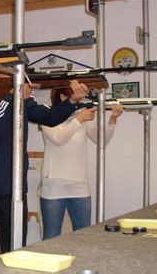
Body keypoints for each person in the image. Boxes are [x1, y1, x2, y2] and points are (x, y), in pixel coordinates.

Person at [0, 69, 89, 264]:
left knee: (14, 253)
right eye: (7, 71)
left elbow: (50, 117)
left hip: (14, 189)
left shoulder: (20, 97)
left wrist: (72, 102)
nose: (12, 76)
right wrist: (12, 98)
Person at [39, 87, 123, 240]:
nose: (78, 99)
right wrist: (79, 119)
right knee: (51, 237)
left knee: (84, 236)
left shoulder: (81, 118)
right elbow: (59, 139)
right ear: (62, 96)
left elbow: (102, 140)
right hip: (54, 186)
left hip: (80, 187)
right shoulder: (48, 117)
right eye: (74, 96)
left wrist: (113, 120)